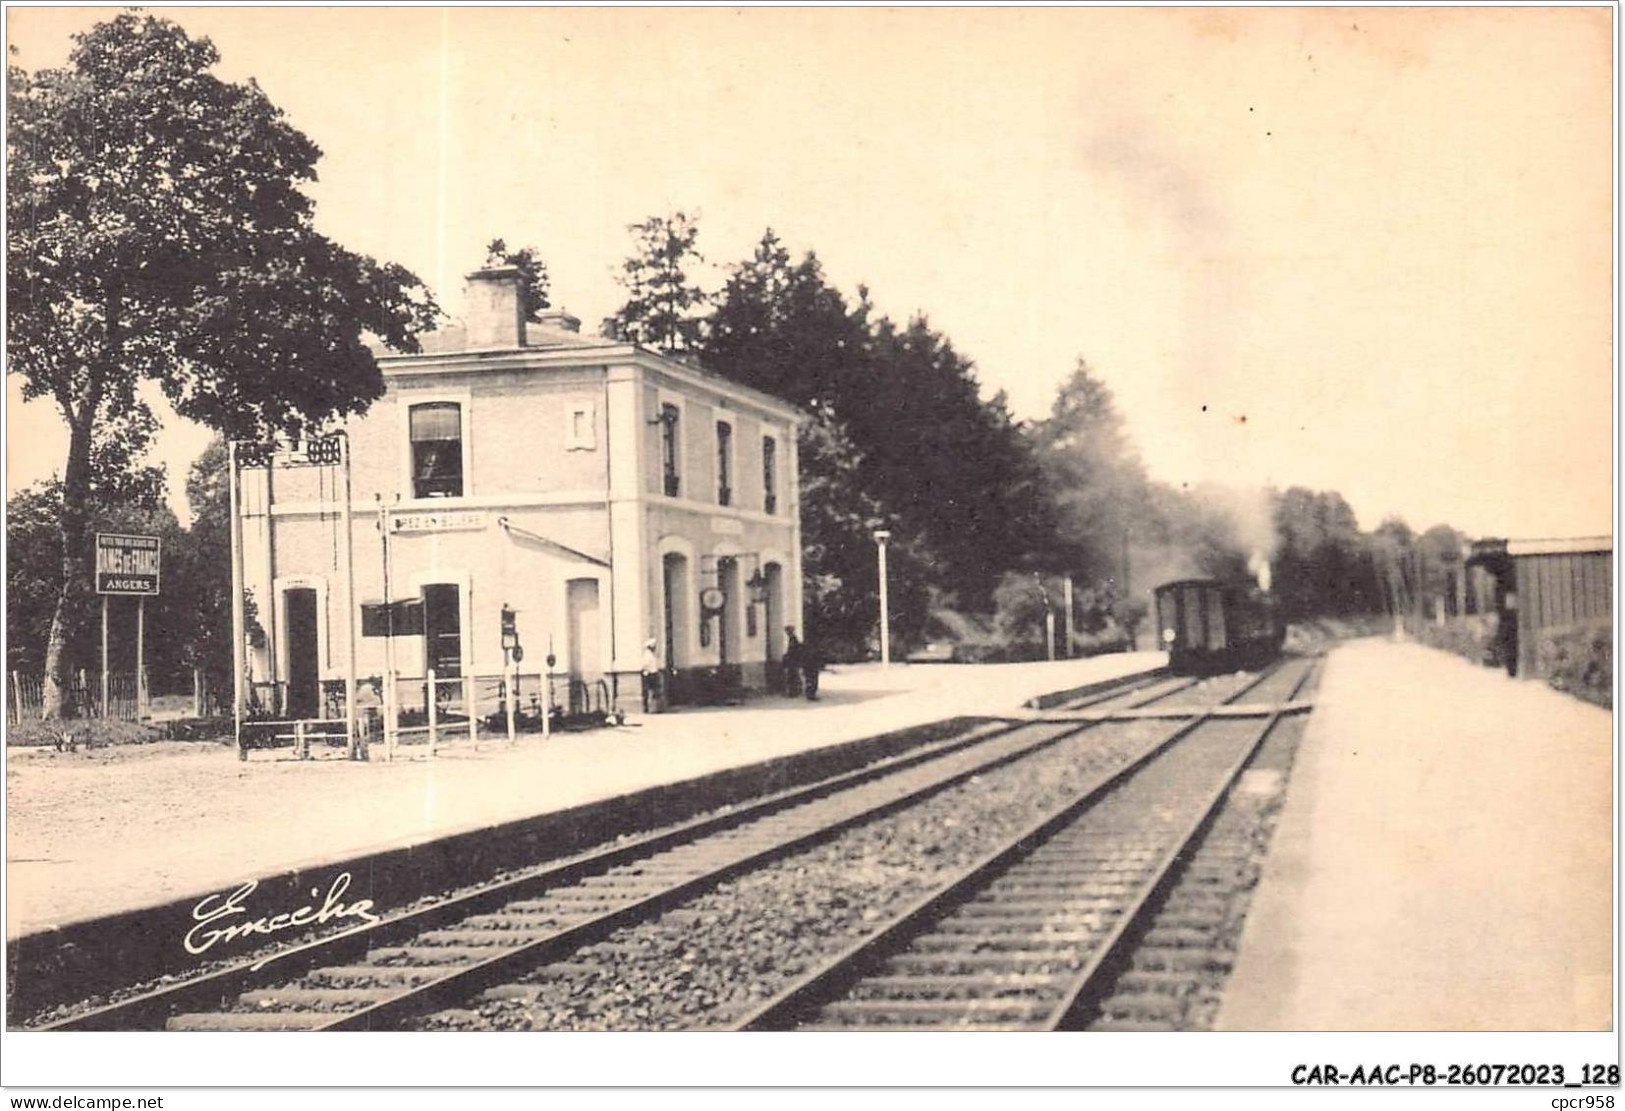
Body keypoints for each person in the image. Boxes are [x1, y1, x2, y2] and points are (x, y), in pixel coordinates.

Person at [641, 638, 664, 712]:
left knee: (656, 691)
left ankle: (656, 707)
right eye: (653, 646)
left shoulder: (651, 655)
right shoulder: (647, 655)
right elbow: (645, 665)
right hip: (649, 674)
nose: (655, 648)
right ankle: (649, 708)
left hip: (653, 673)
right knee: (649, 692)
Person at [800, 632, 824, 701]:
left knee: (810, 681)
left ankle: (810, 694)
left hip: (809, 666)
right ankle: (811, 695)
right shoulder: (815, 648)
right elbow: (818, 657)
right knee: (812, 681)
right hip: (812, 667)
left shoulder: (805, 647)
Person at [781, 628, 803, 697]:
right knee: (794, 676)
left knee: (793, 677)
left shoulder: (793, 639)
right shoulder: (792, 639)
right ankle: (794, 691)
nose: (787, 633)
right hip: (793, 661)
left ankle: (794, 692)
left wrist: (787, 656)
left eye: (788, 632)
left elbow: (793, 651)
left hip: (793, 661)